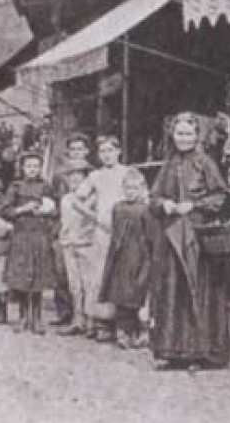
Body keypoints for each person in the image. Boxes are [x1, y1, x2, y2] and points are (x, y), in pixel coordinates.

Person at [148, 113, 230, 370]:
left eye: (188, 134)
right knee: (172, 292)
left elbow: (220, 197)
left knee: (198, 291)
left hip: (197, 238)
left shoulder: (205, 163)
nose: (183, 138)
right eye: (179, 133)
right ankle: (173, 352)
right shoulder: (169, 164)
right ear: (173, 136)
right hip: (171, 237)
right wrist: (166, 204)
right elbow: (153, 198)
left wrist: (193, 205)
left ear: (197, 135)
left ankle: (200, 353)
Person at [73, 136, 134, 342]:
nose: (107, 155)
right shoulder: (95, 176)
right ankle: (103, 323)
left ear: (119, 152)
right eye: (103, 151)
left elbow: (143, 197)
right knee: (100, 275)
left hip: (126, 230)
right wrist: (97, 218)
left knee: (124, 275)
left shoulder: (129, 172)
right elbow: (77, 201)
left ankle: (125, 325)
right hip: (103, 231)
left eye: (110, 150)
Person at [98, 168, 157, 349]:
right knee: (121, 293)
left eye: (135, 188)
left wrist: (149, 258)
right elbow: (116, 231)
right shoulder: (118, 208)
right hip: (121, 256)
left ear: (142, 189)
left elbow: (151, 236)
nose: (131, 192)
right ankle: (123, 331)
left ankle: (142, 332)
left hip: (140, 255)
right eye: (127, 188)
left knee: (138, 293)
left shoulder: (146, 210)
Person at [1, 151, 59, 336]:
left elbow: (55, 211)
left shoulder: (46, 186)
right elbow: (4, 211)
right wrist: (22, 209)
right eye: (29, 166)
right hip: (21, 235)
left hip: (40, 235)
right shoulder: (15, 186)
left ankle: (37, 318)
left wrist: (46, 212)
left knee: (38, 277)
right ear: (22, 167)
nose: (32, 170)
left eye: (36, 166)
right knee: (21, 276)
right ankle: (22, 316)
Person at [54, 164, 104, 337]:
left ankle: (91, 321)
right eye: (71, 176)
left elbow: (95, 220)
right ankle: (78, 320)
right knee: (74, 284)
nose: (74, 180)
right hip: (69, 244)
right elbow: (65, 222)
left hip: (87, 244)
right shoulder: (66, 199)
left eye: (78, 176)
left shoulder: (94, 198)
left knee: (89, 284)